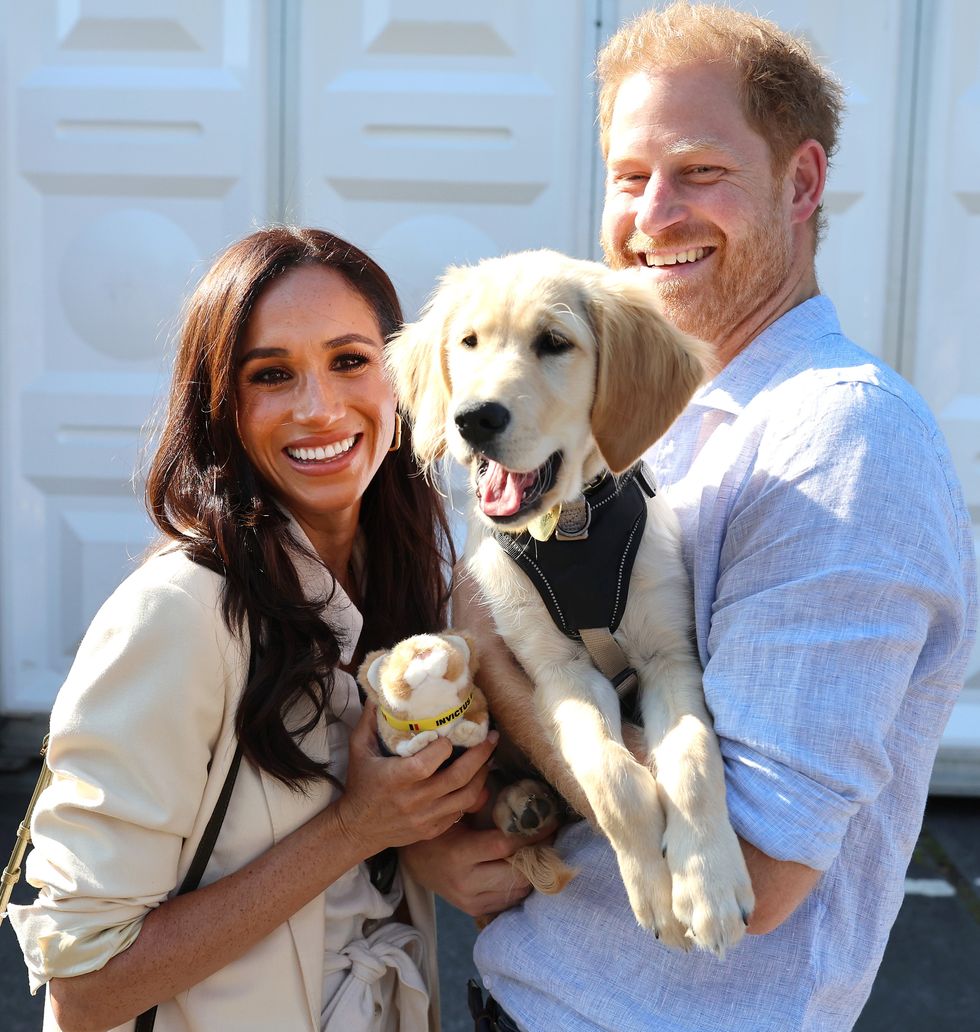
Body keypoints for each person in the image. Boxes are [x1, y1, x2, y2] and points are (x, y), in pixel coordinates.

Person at [401, 5, 978, 1031]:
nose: (652, 216)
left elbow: (756, 862)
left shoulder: (839, 443)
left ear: (800, 184)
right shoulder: (633, 405)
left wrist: (494, 650)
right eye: (629, 178)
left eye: (699, 171)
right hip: (530, 989)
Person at [9, 226, 501, 1031]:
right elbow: (84, 990)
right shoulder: (176, 616)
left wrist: (417, 845)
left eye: (350, 360)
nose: (318, 407)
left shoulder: (411, 588)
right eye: (271, 375)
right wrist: (356, 830)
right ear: (222, 408)